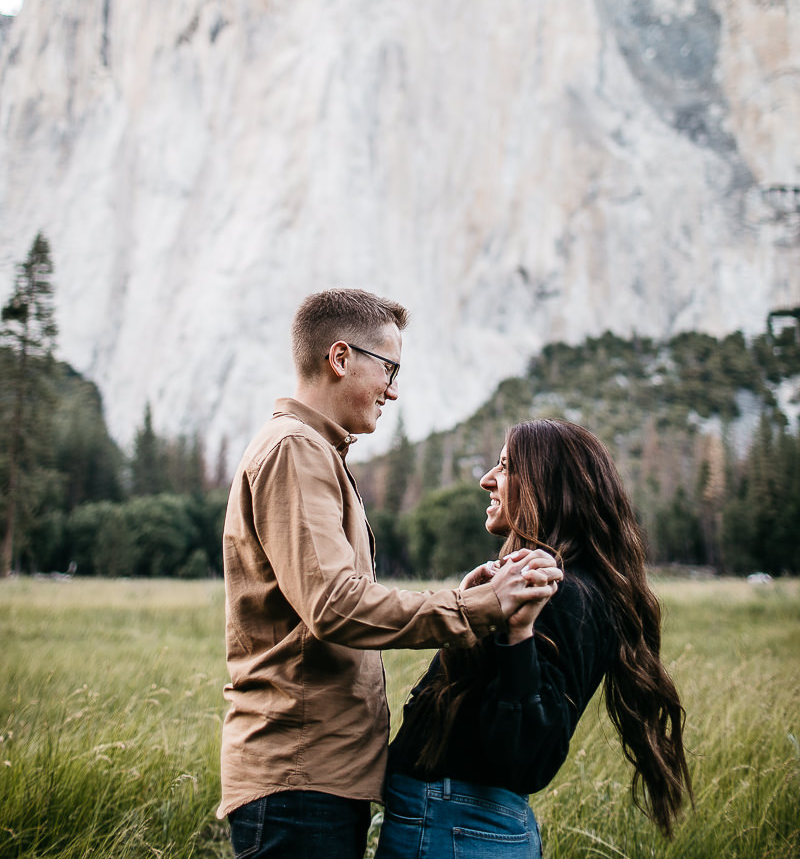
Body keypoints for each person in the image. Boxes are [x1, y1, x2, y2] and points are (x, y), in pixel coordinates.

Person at [218, 290, 561, 859]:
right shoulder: (295, 450)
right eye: (389, 368)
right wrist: (475, 608)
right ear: (341, 358)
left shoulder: (315, 452)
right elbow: (333, 606)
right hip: (298, 778)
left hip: (319, 777)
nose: (394, 389)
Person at [376, 418, 693, 858]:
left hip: (456, 828)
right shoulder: (546, 587)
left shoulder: (563, 596)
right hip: (454, 825)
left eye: (504, 467)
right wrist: (470, 612)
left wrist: (518, 634)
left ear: (545, 485)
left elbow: (524, 756)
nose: (487, 480)